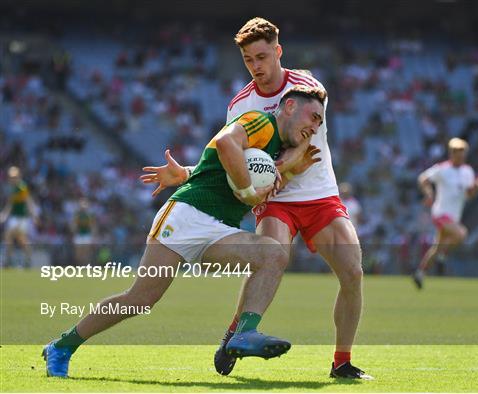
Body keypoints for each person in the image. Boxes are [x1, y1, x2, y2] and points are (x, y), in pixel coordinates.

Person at [42, 85, 326, 378]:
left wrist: (190, 172)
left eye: (320, 123)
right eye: (313, 117)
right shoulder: (260, 122)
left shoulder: (274, 148)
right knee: (139, 300)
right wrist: (247, 192)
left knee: (272, 254)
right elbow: (227, 146)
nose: (315, 127)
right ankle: (61, 346)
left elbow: (218, 167)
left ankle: (245, 332)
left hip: (218, 230)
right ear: (290, 107)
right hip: (185, 217)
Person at [143, 17, 370, 379]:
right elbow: (225, 159)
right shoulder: (241, 104)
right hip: (274, 199)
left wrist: (284, 164)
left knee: (353, 272)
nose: (257, 67)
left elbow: (306, 139)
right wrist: (187, 173)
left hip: (319, 194)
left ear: (278, 51)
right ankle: (238, 333)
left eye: (262, 57)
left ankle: (341, 363)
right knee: (271, 258)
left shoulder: (308, 87)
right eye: (249, 60)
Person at [414, 138, 478, 289]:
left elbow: (469, 195)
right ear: (451, 153)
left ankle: (420, 273)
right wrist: (429, 193)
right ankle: (442, 257)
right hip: (441, 213)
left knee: (437, 247)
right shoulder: (442, 169)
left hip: (454, 216)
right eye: (457, 152)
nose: (460, 155)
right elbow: (423, 179)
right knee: (461, 234)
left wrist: (476, 188)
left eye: (462, 152)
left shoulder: (467, 171)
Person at [0, 166, 39, 269]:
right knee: (16, 239)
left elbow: (28, 201)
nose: (13, 178)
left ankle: (10, 261)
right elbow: (10, 203)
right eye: (11, 176)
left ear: (18, 176)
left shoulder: (22, 187)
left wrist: (34, 215)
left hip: (22, 218)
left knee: (12, 236)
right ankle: (12, 260)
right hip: (14, 217)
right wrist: (4, 214)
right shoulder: (12, 188)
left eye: (15, 176)